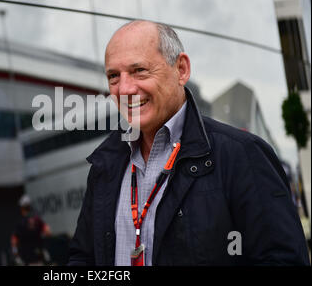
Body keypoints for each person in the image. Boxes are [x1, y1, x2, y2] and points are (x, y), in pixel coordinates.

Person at [68, 20, 310, 266]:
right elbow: (82, 258)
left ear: (181, 69)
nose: (125, 89)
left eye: (139, 70)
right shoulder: (104, 165)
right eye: (113, 76)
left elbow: (284, 260)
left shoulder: (242, 155)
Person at [10, 194, 51, 265]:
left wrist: (15, 254)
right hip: (39, 256)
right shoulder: (37, 219)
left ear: (22, 208)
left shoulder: (20, 222)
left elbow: (14, 240)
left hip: (27, 258)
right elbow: (48, 232)